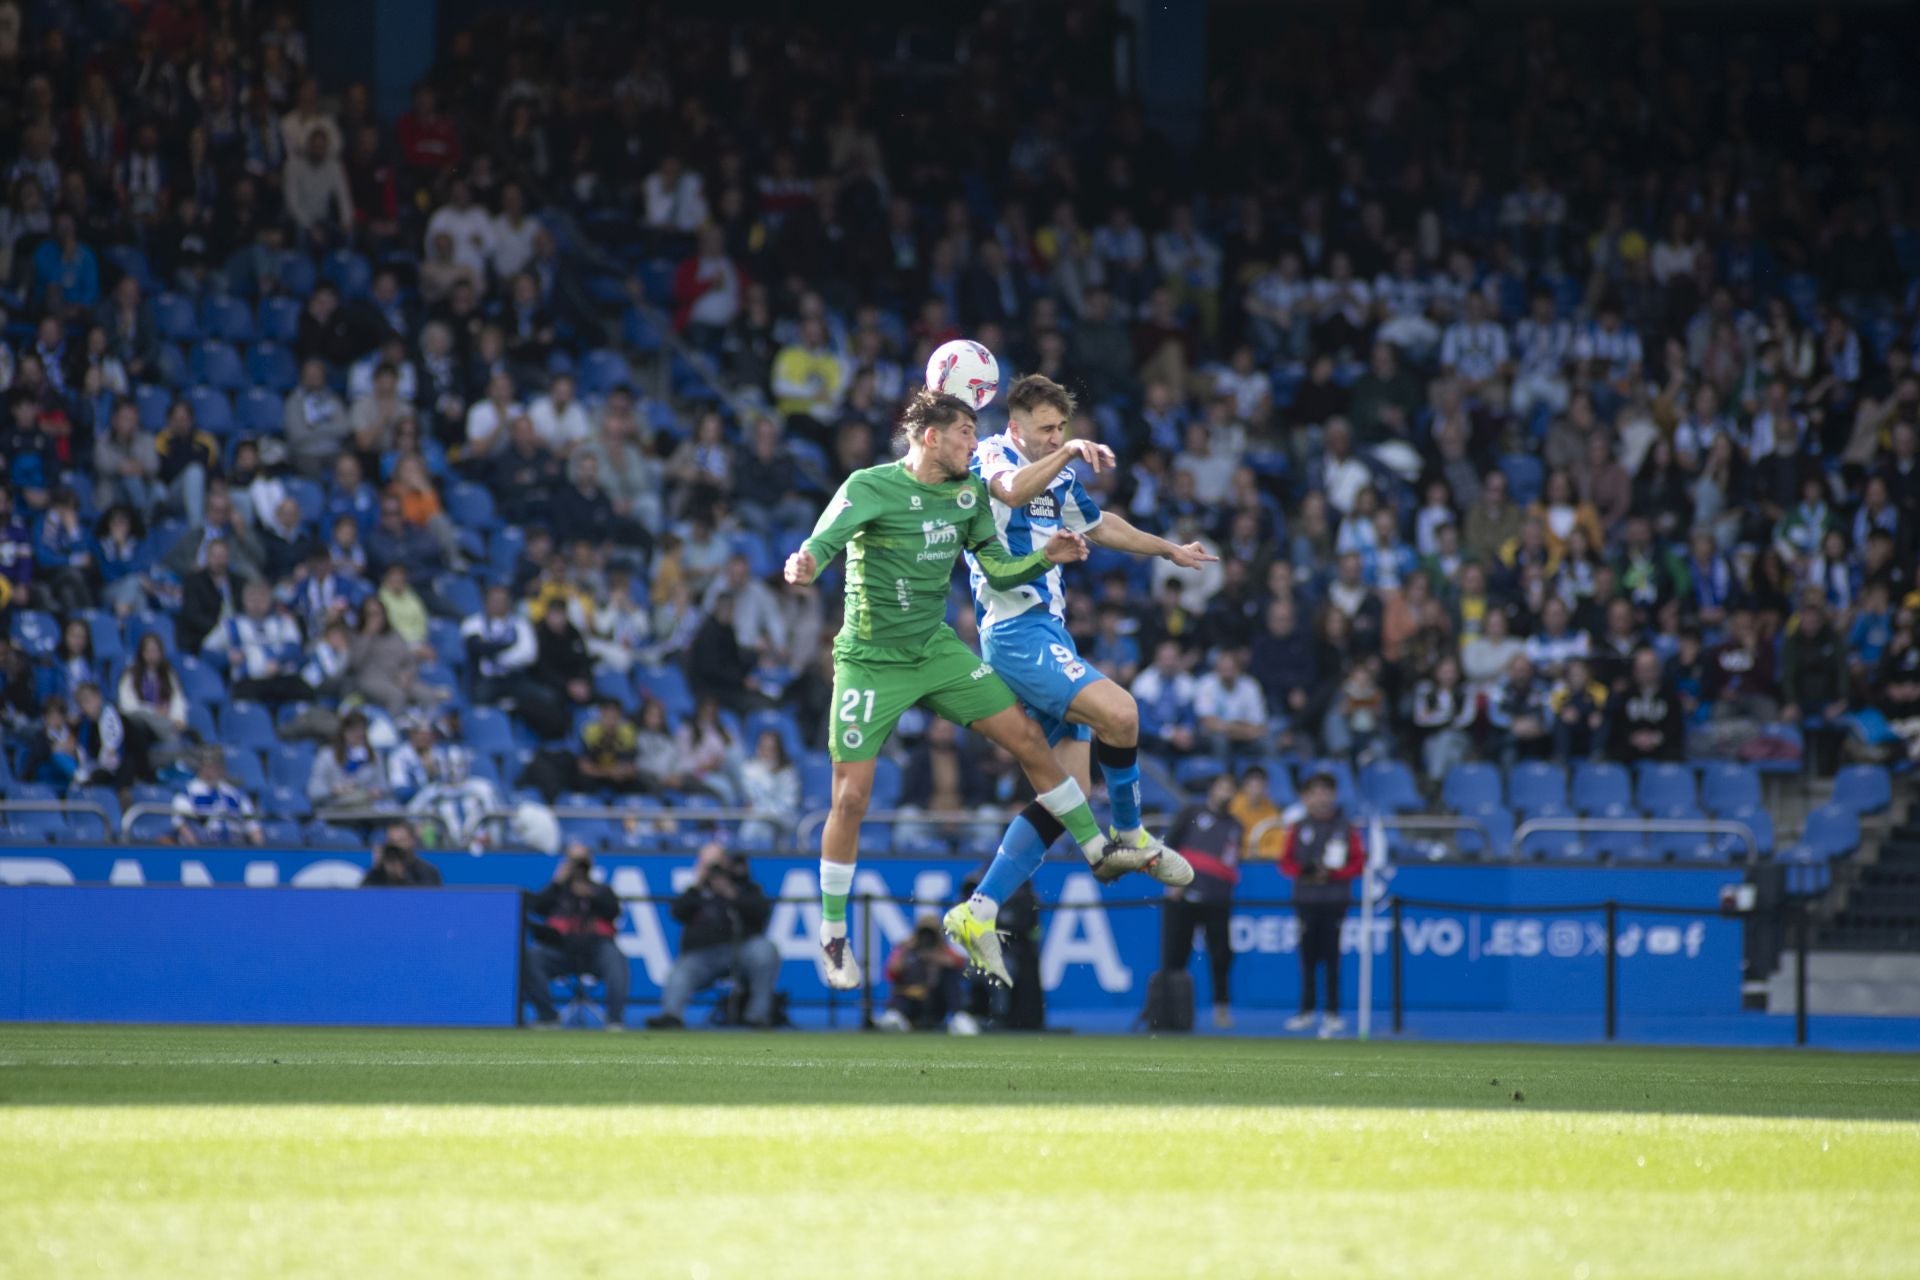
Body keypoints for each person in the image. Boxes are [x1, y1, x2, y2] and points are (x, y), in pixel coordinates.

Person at [781, 390, 1165, 991]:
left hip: (935, 651)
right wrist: (805, 562)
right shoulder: (869, 485)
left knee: (1029, 738)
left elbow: (999, 567)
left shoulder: (968, 496)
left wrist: (1047, 556)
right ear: (931, 437)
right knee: (851, 798)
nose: (974, 445)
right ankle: (832, 933)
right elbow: (823, 542)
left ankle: (1096, 848)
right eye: (964, 433)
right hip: (870, 660)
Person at [951, 374, 1207, 957]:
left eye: (1062, 428)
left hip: (1051, 632)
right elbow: (1011, 491)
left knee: (1063, 795)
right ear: (1017, 426)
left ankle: (978, 909)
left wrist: (1167, 547)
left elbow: (1101, 524)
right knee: (1121, 712)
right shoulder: (992, 452)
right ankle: (1127, 834)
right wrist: (1066, 452)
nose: (1057, 436)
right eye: (1046, 428)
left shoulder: (1061, 474)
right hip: (1016, 632)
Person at [648, 842, 781, 1029]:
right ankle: (671, 1016)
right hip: (703, 954)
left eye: (717, 863)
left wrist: (731, 892)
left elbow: (761, 913)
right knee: (680, 972)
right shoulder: (696, 892)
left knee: (765, 950)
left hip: (740, 950)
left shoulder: (743, 886)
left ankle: (758, 1016)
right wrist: (698, 883)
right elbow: (677, 912)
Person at [1280, 771, 1366, 1038]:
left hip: (1334, 900)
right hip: (1306, 900)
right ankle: (1306, 1012)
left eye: (1325, 792)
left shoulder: (1345, 827)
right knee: (1307, 957)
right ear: (1305, 797)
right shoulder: (1298, 826)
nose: (1320, 798)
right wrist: (1306, 872)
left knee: (1332, 958)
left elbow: (1358, 862)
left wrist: (1332, 874)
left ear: (1334, 795)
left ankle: (1332, 1013)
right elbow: (1285, 862)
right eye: (1315, 792)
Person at [1159, 772, 1245, 1030]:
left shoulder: (1236, 825)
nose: (1225, 793)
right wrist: (1171, 882)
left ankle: (1222, 1007)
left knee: (1221, 955)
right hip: (1183, 896)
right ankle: (1169, 1010)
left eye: (1230, 789)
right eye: (1222, 787)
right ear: (1212, 789)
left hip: (1217, 899)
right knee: (1175, 954)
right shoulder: (1191, 812)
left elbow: (1231, 862)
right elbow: (1167, 847)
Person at [524, 843, 629, 1030]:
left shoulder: (602, 890)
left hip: (596, 949)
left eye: (582, 861)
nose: (578, 867)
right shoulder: (557, 891)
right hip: (561, 949)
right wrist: (557, 882)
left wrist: (591, 895)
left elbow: (613, 911)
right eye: (573, 861)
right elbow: (538, 907)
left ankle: (615, 1020)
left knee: (616, 960)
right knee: (532, 958)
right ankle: (548, 1017)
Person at [876, 914, 979, 1034]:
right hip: (911, 1000)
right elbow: (892, 971)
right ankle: (896, 1018)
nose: (926, 938)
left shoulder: (943, 951)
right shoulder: (908, 951)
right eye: (923, 933)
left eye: (930, 934)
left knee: (950, 976)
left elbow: (960, 964)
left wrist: (936, 956)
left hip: (936, 1001)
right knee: (902, 993)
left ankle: (959, 1018)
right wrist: (906, 949)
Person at [172, 746, 264, 847]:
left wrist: (259, 851)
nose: (211, 771)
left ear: (222, 768)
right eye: (207, 766)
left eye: (215, 766)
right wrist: (197, 850)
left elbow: (254, 828)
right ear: (200, 767)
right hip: (203, 848)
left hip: (235, 847)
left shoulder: (236, 794)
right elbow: (181, 825)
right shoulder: (186, 794)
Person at [361, 837, 443, 887]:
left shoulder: (426, 871)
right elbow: (362, 898)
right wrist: (376, 868)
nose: (397, 846)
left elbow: (429, 901)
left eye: (401, 840)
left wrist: (403, 877)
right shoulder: (378, 873)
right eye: (392, 841)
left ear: (412, 841)